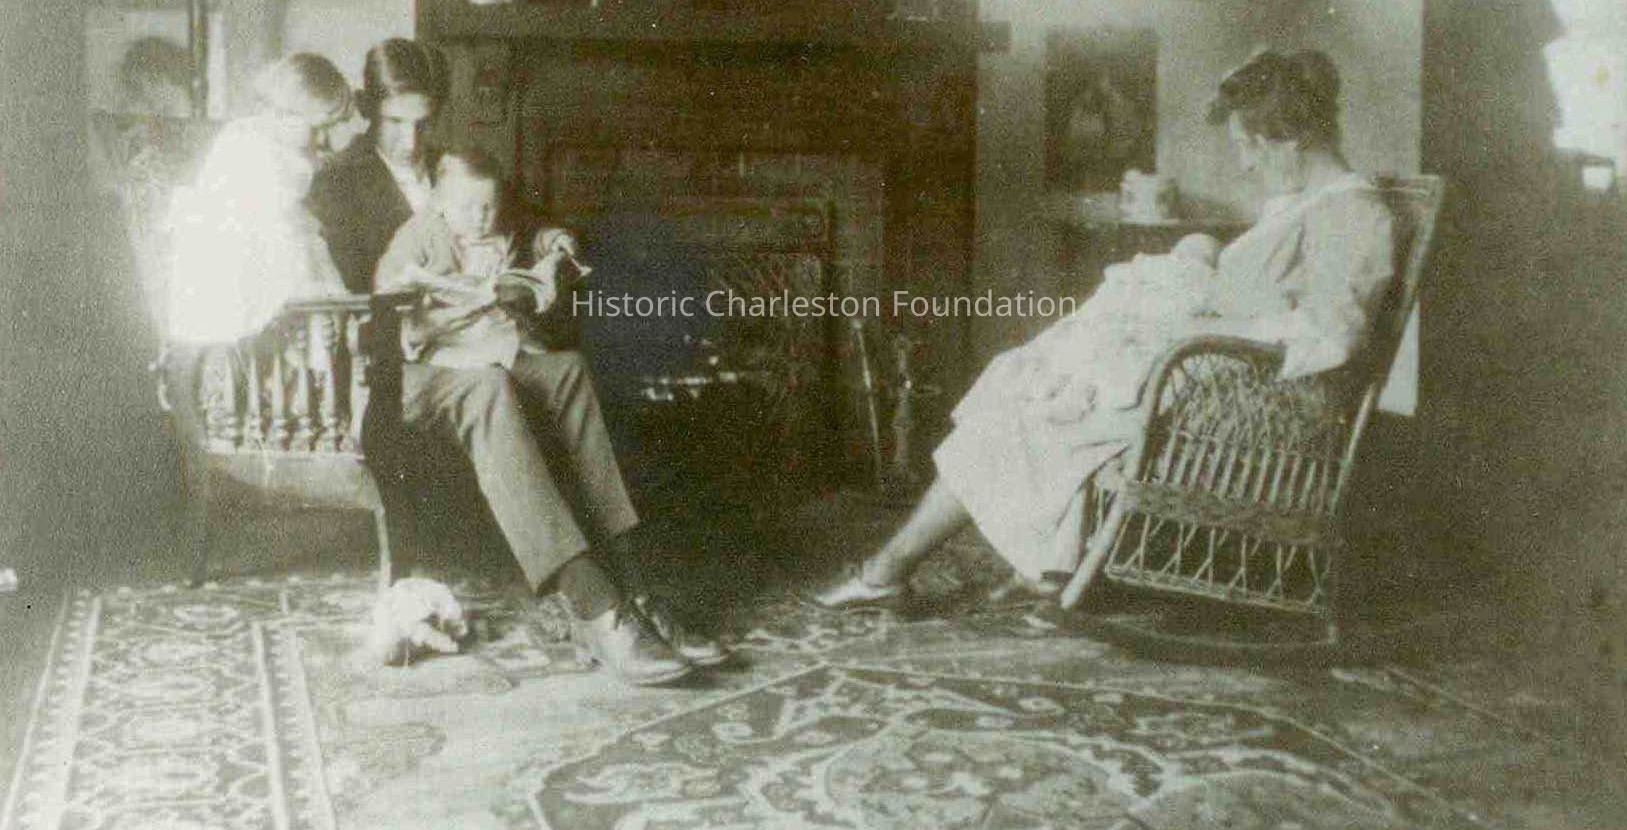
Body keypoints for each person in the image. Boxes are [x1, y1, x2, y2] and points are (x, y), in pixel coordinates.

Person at [813, 48, 1397, 609]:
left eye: (1249, 146)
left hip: (1228, 392)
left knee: (1032, 412)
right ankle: (1008, 566)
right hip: (1199, 367)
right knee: (1025, 388)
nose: (1245, 165)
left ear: (1291, 139)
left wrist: (1209, 315)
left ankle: (888, 572)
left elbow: (1333, 335)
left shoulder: (1353, 213)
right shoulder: (1304, 202)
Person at [368, 144, 730, 687]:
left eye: (489, 206)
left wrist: (547, 249)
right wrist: (429, 298)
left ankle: (634, 585)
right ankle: (593, 603)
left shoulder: (496, 223)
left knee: (567, 369)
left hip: (489, 352)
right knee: (491, 387)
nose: (480, 217)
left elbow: (532, 232)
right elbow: (384, 299)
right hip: (422, 371)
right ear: (440, 201)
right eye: (467, 207)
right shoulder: (418, 233)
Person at [165, 53, 354, 346]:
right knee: (303, 255)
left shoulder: (280, 148)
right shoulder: (249, 149)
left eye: (330, 128)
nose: (324, 141)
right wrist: (312, 292)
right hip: (229, 275)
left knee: (315, 253)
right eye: (316, 129)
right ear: (281, 112)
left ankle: (317, 328)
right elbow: (269, 238)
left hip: (263, 258)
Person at [309, 38, 444, 293]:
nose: (410, 143)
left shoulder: (456, 169)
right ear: (367, 108)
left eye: (422, 124)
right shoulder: (334, 183)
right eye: (395, 122)